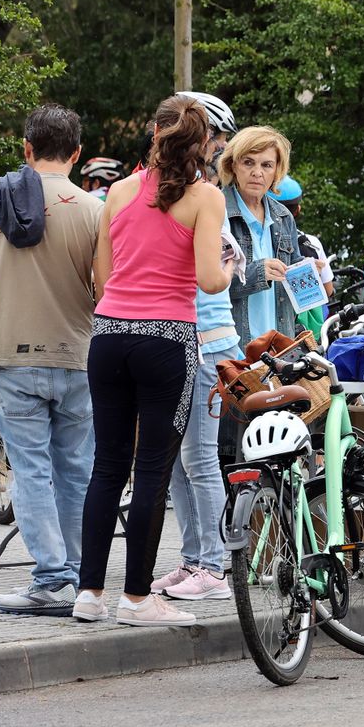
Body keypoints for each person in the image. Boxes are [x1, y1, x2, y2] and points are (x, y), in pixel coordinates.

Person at [73, 94, 235, 626]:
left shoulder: (117, 192)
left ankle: (89, 592)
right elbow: (210, 280)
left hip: (110, 335)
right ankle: (138, 600)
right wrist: (230, 268)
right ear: (203, 144)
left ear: (154, 135)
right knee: (153, 471)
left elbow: (101, 276)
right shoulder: (204, 197)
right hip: (167, 338)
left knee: (107, 466)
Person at [0, 104, 102, 616]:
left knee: (30, 472)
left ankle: (50, 578)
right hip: (79, 354)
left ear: (26, 148)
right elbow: (106, 289)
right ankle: (79, 579)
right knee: (78, 471)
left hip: (11, 353)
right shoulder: (95, 210)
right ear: (76, 154)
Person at [148, 208, 245, 602]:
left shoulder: (209, 223)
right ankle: (193, 561)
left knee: (200, 459)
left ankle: (214, 568)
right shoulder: (180, 220)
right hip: (181, 349)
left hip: (209, 350)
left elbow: (210, 286)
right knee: (177, 462)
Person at [221, 127, 304, 349]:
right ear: (232, 165)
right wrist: (258, 272)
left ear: (277, 171)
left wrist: (306, 272)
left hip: (280, 347)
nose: (257, 172)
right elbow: (206, 285)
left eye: (266, 165)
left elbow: (296, 292)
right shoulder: (217, 211)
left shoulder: (283, 216)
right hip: (235, 349)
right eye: (248, 162)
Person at [270, 176, 333, 334]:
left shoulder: (262, 242)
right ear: (298, 210)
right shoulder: (311, 243)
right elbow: (328, 290)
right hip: (302, 330)